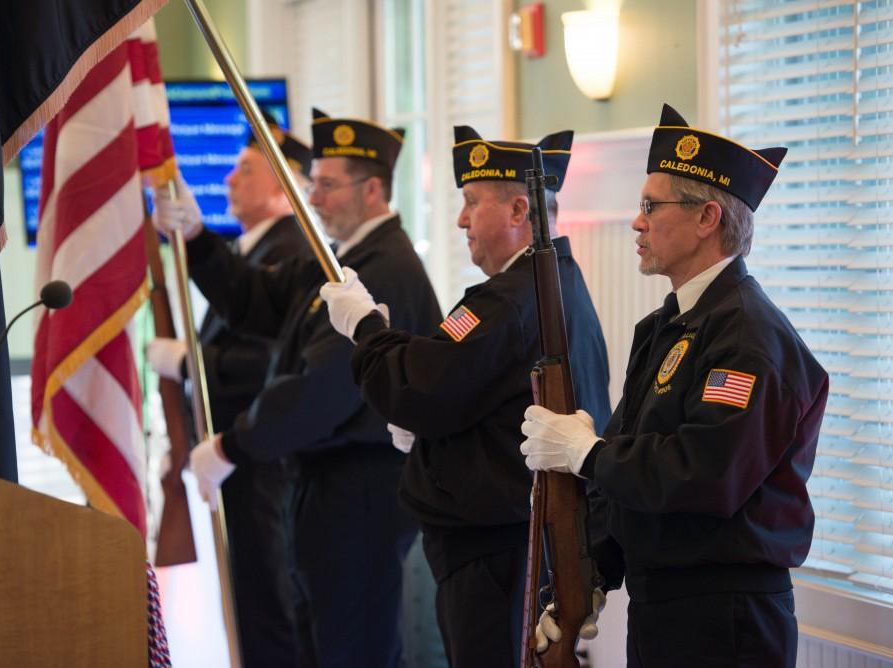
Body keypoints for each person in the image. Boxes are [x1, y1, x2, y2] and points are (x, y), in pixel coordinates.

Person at [521, 103, 829, 668]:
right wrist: (590, 574)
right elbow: (630, 473)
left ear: (707, 217)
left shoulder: (747, 337)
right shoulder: (671, 325)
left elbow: (705, 473)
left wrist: (588, 454)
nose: (635, 223)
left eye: (650, 206)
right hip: (665, 605)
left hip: (724, 617)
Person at [152, 108, 442, 667]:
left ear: (374, 189)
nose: (314, 198)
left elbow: (322, 388)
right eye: (313, 185)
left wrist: (232, 445)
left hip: (360, 490)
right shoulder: (343, 259)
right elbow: (258, 300)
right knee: (320, 642)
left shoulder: (382, 269)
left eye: (327, 187)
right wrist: (196, 235)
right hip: (326, 489)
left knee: (351, 650)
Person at [319, 125, 611, 668]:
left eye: (472, 203)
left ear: (519, 210)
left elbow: (419, 385)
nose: (460, 219)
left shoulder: (509, 299)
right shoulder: (557, 284)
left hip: (496, 552)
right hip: (517, 538)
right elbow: (469, 393)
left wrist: (365, 327)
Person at [147, 123, 311, 667]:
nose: (228, 178)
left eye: (245, 169)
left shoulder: (291, 249)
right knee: (248, 606)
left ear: (284, 187)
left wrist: (192, 364)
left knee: (268, 609)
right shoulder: (253, 248)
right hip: (238, 461)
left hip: (266, 464)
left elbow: (275, 362)